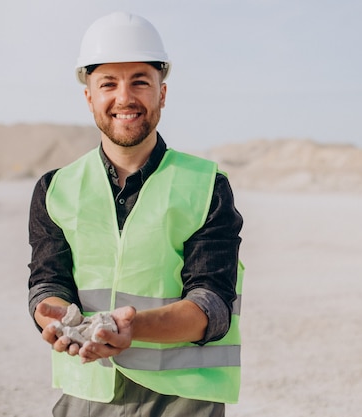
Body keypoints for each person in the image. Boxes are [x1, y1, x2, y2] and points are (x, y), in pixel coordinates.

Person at [27, 11, 243, 417]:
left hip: (182, 401)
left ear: (162, 92)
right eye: (108, 83)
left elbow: (212, 303)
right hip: (86, 393)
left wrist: (130, 329)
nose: (124, 97)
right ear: (89, 96)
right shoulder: (56, 189)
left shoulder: (206, 185)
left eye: (140, 81)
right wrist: (52, 316)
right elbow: (47, 281)